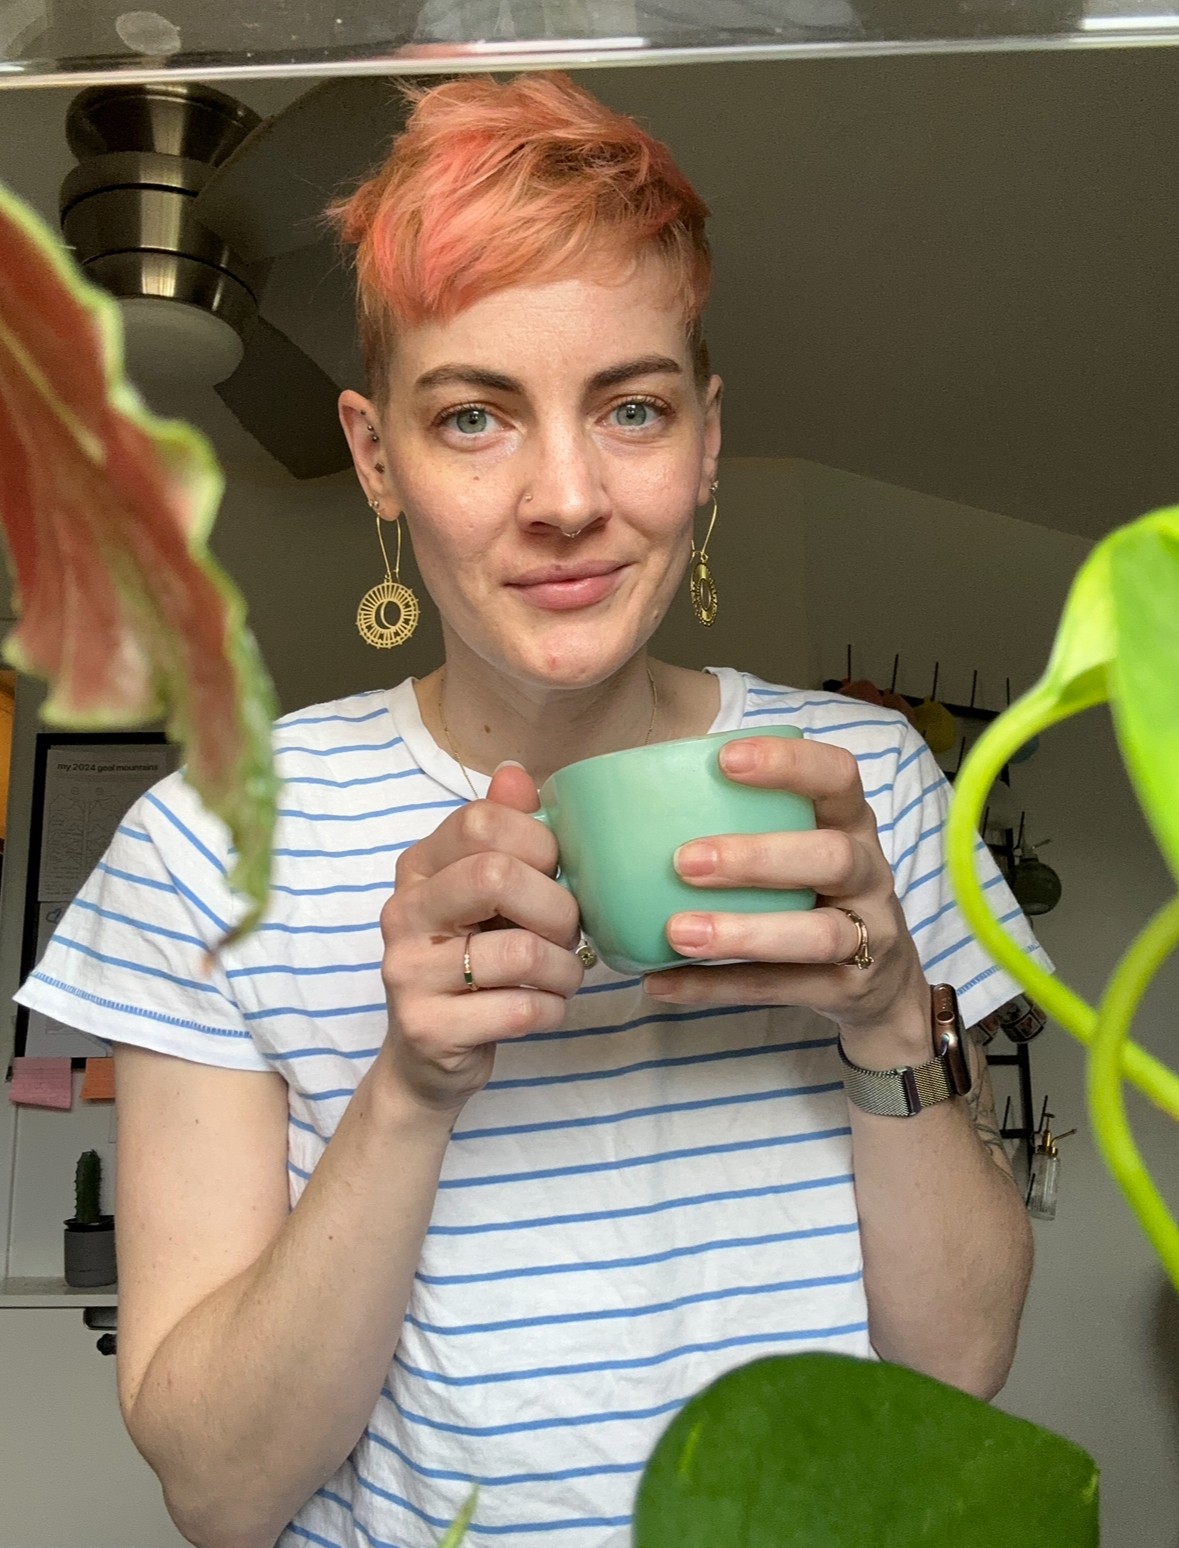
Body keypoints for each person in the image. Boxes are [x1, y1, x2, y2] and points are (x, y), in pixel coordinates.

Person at [17, 72, 1051, 1548]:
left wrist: (891, 1019)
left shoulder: (867, 783)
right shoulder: (206, 842)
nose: (566, 497)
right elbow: (220, 1492)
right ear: (377, 457)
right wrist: (409, 1091)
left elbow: (961, 1363)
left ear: (704, 440)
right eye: (475, 417)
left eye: (630, 406)